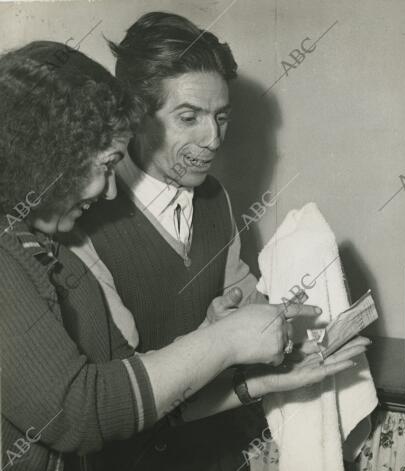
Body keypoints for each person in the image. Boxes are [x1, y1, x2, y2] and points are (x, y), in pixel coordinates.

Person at [0, 40, 367, 471]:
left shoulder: (44, 248)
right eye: (104, 166)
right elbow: (80, 413)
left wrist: (260, 383)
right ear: (49, 156)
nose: (111, 190)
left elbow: (133, 402)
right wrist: (222, 341)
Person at [70, 11, 334, 471]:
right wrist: (216, 340)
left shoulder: (215, 200)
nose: (213, 139)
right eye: (188, 117)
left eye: (221, 117)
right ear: (134, 115)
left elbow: (247, 303)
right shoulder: (85, 220)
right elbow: (117, 396)